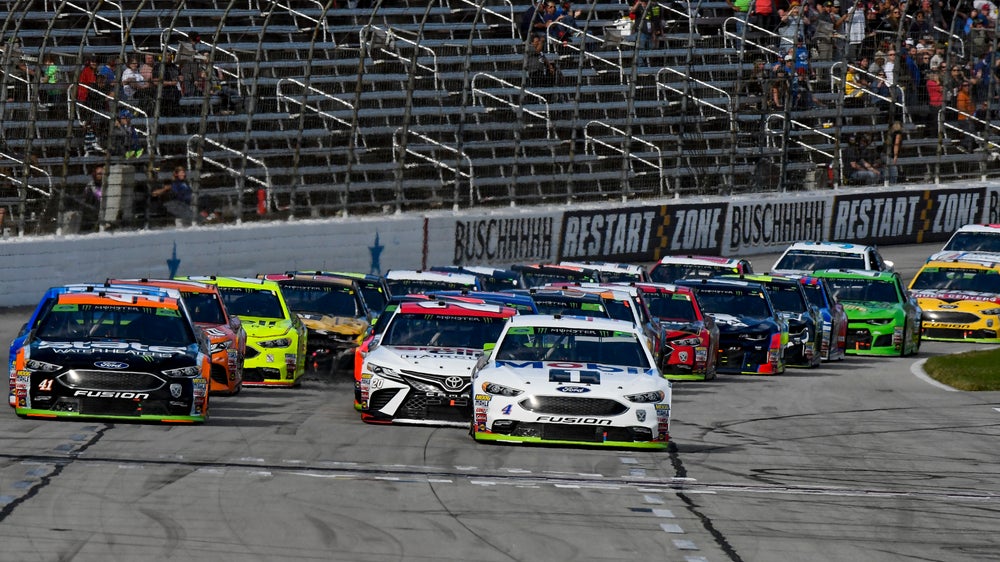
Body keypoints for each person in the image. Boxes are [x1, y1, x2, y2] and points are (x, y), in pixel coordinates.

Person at [80, 164, 104, 232]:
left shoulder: (107, 184)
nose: (102, 175)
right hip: (92, 212)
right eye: (99, 173)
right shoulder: (90, 186)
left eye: (103, 173)